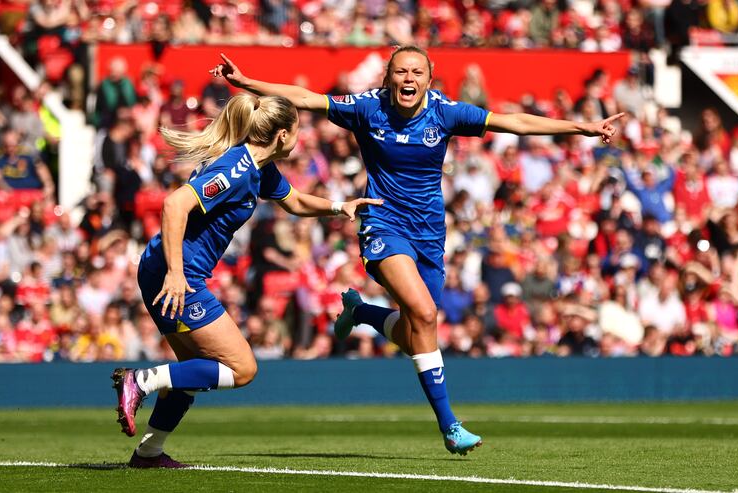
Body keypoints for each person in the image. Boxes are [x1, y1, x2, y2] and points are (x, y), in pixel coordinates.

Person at [211, 46, 622, 455]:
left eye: (417, 73)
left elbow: (513, 122)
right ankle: (450, 426)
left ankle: (363, 312)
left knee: (416, 335)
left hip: (429, 235)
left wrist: (580, 128)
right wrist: (247, 82)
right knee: (425, 315)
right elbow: (304, 98)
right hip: (383, 226)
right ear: (389, 77)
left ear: (430, 77)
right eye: (401, 72)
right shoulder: (367, 107)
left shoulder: (445, 112)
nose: (408, 79)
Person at [111, 93, 381, 468]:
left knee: (193, 371)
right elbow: (175, 205)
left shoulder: (259, 168)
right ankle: (139, 382)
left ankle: (149, 452)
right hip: (177, 274)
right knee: (242, 369)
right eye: (298, 131)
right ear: (283, 134)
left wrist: (340, 207)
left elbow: (296, 201)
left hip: (166, 268)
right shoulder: (237, 170)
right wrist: (175, 273)